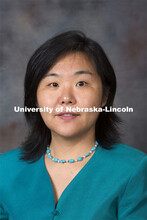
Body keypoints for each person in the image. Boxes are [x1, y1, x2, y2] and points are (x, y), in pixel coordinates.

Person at [0, 30, 147, 220]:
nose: (66, 98)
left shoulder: (133, 169)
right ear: (35, 99)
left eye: (81, 83)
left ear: (104, 96)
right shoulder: (4, 170)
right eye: (53, 84)